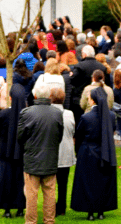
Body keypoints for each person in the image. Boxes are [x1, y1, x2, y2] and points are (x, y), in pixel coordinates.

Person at [18, 82, 64, 224]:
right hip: (49, 158)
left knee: (31, 194)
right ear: (48, 96)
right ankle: (49, 221)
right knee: (50, 193)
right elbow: (59, 136)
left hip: (32, 159)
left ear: (35, 95)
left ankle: (31, 221)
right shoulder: (57, 113)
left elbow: (20, 137)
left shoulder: (27, 113)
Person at [72, 87, 119, 220]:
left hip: (88, 152)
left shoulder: (86, 117)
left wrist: (79, 150)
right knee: (102, 181)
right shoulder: (110, 116)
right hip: (106, 151)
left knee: (89, 182)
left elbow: (79, 134)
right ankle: (101, 211)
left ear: (92, 100)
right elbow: (112, 130)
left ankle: (91, 212)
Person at [0, 84, 29, 217]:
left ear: (11, 97)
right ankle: (20, 209)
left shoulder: (4, 113)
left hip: (4, 152)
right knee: (21, 180)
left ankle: (7, 210)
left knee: (5, 179)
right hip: (22, 152)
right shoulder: (27, 114)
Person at [49, 86, 76, 216]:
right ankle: (61, 206)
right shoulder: (69, 114)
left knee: (51, 182)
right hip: (65, 151)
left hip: (54, 151)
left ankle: (56, 206)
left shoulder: (50, 113)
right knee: (63, 182)